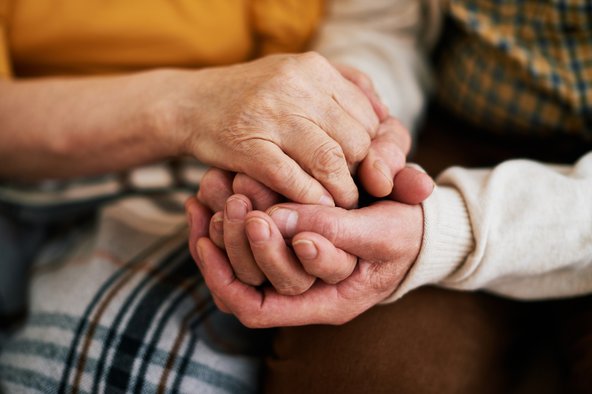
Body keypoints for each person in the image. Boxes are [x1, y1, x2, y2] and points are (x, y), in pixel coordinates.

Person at [0, 0, 436, 392]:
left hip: (216, 166)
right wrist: (192, 106)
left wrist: (341, 135)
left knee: (116, 363)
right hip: (51, 148)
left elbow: (375, 36)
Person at [186, 0, 592, 392]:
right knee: (355, 376)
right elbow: (380, 27)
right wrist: (347, 129)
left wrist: (447, 231)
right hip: (452, 132)